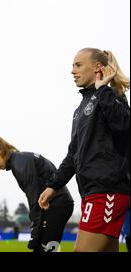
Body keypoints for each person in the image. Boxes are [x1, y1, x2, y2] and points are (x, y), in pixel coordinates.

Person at [39, 48, 130, 252]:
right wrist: (54, 185)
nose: (73, 71)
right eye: (72, 65)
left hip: (107, 192)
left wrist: (103, 89)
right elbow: (74, 154)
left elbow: (124, 125)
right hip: (91, 193)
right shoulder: (80, 109)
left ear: (98, 67)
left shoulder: (111, 95)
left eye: (78, 65)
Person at [0, 136, 74, 252]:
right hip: (58, 204)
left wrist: (35, 233)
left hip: (56, 205)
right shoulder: (20, 159)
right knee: (47, 248)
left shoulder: (19, 163)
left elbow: (34, 198)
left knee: (44, 248)